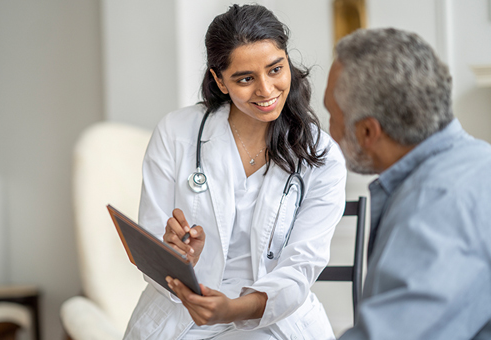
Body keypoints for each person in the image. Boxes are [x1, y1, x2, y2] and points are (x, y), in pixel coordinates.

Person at [124, 4, 346, 340]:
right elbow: (152, 248)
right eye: (245, 79)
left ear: (287, 60)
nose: (266, 90)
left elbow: (300, 268)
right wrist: (179, 258)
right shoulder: (175, 133)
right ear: (219, 80)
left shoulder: (322, 156)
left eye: (275, 69)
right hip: (182, 315)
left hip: (270, 319)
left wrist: (232, 308)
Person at [323, 27, 491, 339]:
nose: (328, 132)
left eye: (332, 115)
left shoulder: (434, 204)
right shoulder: (480, 160)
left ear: (367, 133)